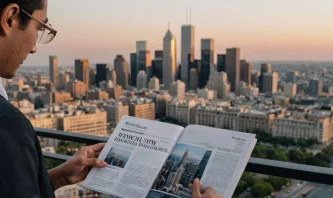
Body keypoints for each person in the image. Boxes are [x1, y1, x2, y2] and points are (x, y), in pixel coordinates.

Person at [0, 0, 223, 197]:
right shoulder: (8, 124)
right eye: (40, 28)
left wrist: (60, 178)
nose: (34, 48)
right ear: (10, 18)